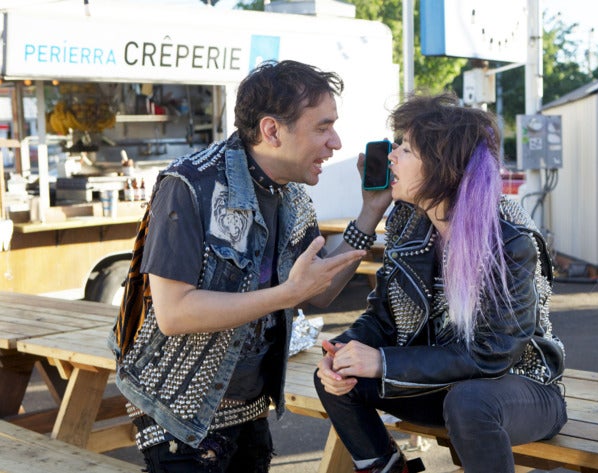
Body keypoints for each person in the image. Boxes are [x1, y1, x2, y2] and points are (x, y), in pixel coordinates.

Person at [109, 59, 391, 473]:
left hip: (248, 407)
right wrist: (286, 294)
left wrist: (369, 214)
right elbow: (174, 313)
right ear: (272, 130)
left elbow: (320, 290)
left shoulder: (293, 198)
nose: (335, 142)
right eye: (322, 126)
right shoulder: (190, 185)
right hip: (179, 418)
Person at [314, 93, 568, 473]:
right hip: (442, 388)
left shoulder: (510, 238)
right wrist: (345, 349)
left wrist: (382, 361)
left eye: (407, 149)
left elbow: (492, 353)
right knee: (334, 375)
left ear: (442, 167)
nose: (393, 156)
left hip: (517, 389)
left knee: (469, 402)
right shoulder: (408, 222)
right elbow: (384, 319)